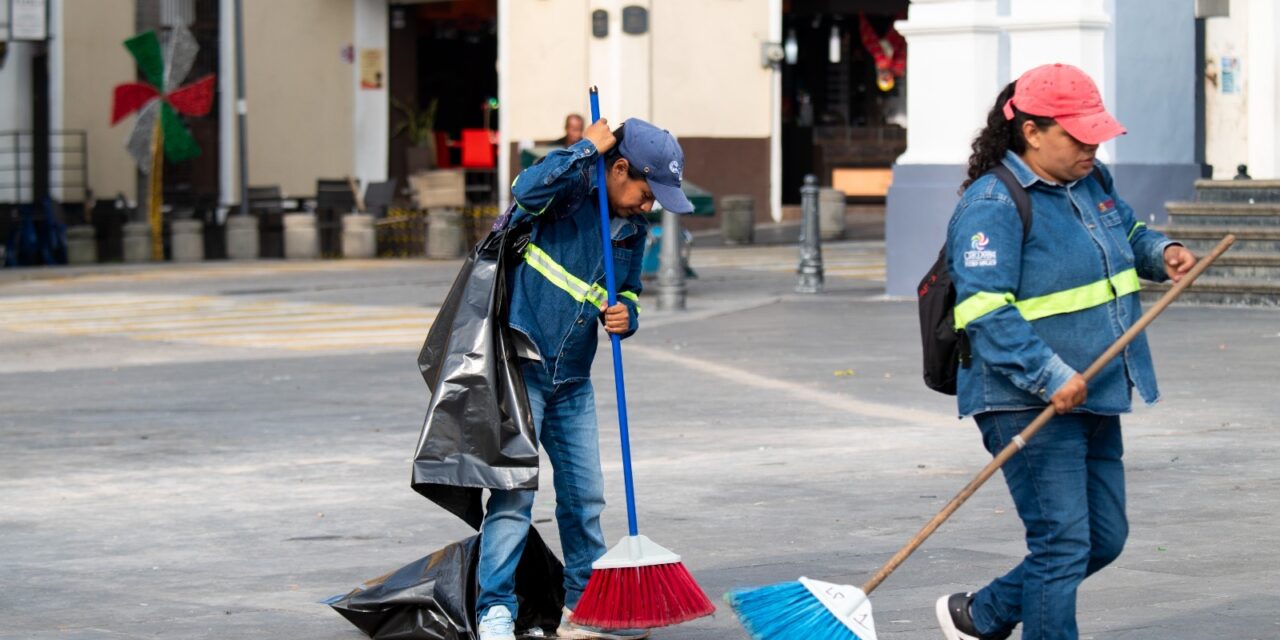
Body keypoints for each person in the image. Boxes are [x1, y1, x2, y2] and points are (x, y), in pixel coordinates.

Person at [935, 63, 1197, 640]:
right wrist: (1049, 374)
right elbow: (984, 312)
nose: (1092, 145)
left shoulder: (1091, 181)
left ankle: (983, 614)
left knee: (1102, 538)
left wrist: (1164, 252)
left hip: (1096, 389)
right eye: (1078, 136)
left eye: (1096, 133)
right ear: (1032, 132)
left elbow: (1128, 236)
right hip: (1026, 398)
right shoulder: (992, 206)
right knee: (1061, 544)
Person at [475, 117, 694, 640]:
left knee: (584, 496)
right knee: (514, 492)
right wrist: (582, 149)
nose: (650, 205)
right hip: (522, 364)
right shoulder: (571, 190)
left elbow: (631, 288)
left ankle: (585, 607)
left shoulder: (634, 228)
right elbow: (524, 190)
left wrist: (628, 316)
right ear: (618, 168)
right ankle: (495, 610)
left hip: (573, 378)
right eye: (647, 190)